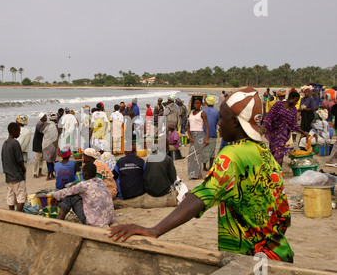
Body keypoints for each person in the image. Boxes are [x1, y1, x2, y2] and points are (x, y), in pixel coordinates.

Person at [109, 86, 294, 263]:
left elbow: (201, 197)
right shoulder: (264, 153)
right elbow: (284, 214)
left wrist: (155, 230)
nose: (218, 124)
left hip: (250, 257)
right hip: (279, 253)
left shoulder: (232, 155)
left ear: (235, 122)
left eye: (221, 118)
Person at [53, 163, 115, 228]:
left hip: (94, 223)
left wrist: (54, 195)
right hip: (109, 219)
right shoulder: (100, 181)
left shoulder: (84, 185)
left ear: (85, 174)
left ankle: (59, 220)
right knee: (79, 195)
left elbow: (66, 191)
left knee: (71, 196)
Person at [261, 91, 309, 166]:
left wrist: (303, 132)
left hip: (284, 134)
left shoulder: (293, 110)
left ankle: (277, 168)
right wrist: (264, 126)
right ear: (290, 98)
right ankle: (272, 168)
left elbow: (294, 125)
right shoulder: (279, 104)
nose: (296, 103)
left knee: (279, 152)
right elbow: (270, 115)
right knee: (273, 150)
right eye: (295, 100)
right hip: (275, 131)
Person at [1, 122, 27, 212]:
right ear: (13, 131)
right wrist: (23, 169)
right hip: (17, 175)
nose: (19, 133)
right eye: (18, 131)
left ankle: (11, 214)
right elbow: (20, 159)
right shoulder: (15, 143)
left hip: (8, 175)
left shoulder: (5, 143)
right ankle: (18, 215)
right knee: (21, 196)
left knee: (11, 196)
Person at [186, 97, 209, 180]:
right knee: (192, 156)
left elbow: (207, 126)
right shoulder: (190, 113)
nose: (197, 105)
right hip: (192, 135)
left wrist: (207, 139)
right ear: (193, 104)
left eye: (199, 103)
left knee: (198, 156)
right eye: (195, 103)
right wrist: (190, 137)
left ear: (201, 104)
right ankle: (193, 174)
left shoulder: (202, 113)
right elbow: (188, 127)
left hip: (200, 135)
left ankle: (199, 175)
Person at [202, 95, 220, 171]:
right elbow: (219, 122)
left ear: (206, 102)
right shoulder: (216, 112)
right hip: (213, 133)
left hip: (203, 133)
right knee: (212, 151)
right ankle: (210, 166)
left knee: (204, 150)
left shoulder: (203, 111)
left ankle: (204, 166)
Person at [41, 112, 59, 181]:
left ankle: (51, 174)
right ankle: (49, 175)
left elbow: (42, 131)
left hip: (46, 144)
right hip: (53, 144)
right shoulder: (56, 126)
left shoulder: (46, 125)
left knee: (49, 161)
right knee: (51, 160)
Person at [32, 113, 46, 178]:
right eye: (45, 116)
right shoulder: (39, 124)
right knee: (37, 159)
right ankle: (35, 173)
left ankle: (40, 172)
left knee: (41, 159)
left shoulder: (43, 124)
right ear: (41, 117)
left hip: (42, 143)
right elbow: (42, 132)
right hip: (38, 144)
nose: (46, 117)